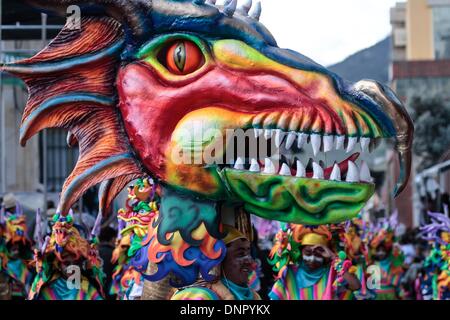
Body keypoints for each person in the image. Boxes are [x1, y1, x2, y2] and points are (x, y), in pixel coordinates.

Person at [269, 224, 360, 300]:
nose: (312, 258)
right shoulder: (289, 273)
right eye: (308, 252)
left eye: (319, 253)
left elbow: (356, 286)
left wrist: (333, 257)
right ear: (301, 252)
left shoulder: (333, 272)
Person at [171, 225, 261, 300]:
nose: (250, 262)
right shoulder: (199, 296)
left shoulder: (254, 296)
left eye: (249, 253)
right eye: (240, 254)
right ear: (219, 261)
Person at [29, 212, 105, 300]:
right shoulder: (47, 289)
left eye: (76, 262)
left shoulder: (86, 287)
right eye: (67, 263)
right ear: (58, 264)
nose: (72, 266)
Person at [0, 197, 35, 300]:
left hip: (16, 262)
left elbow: (25, 242)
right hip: (7, 263)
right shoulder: (6, 223)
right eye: (13, 207)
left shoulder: (18, 221)